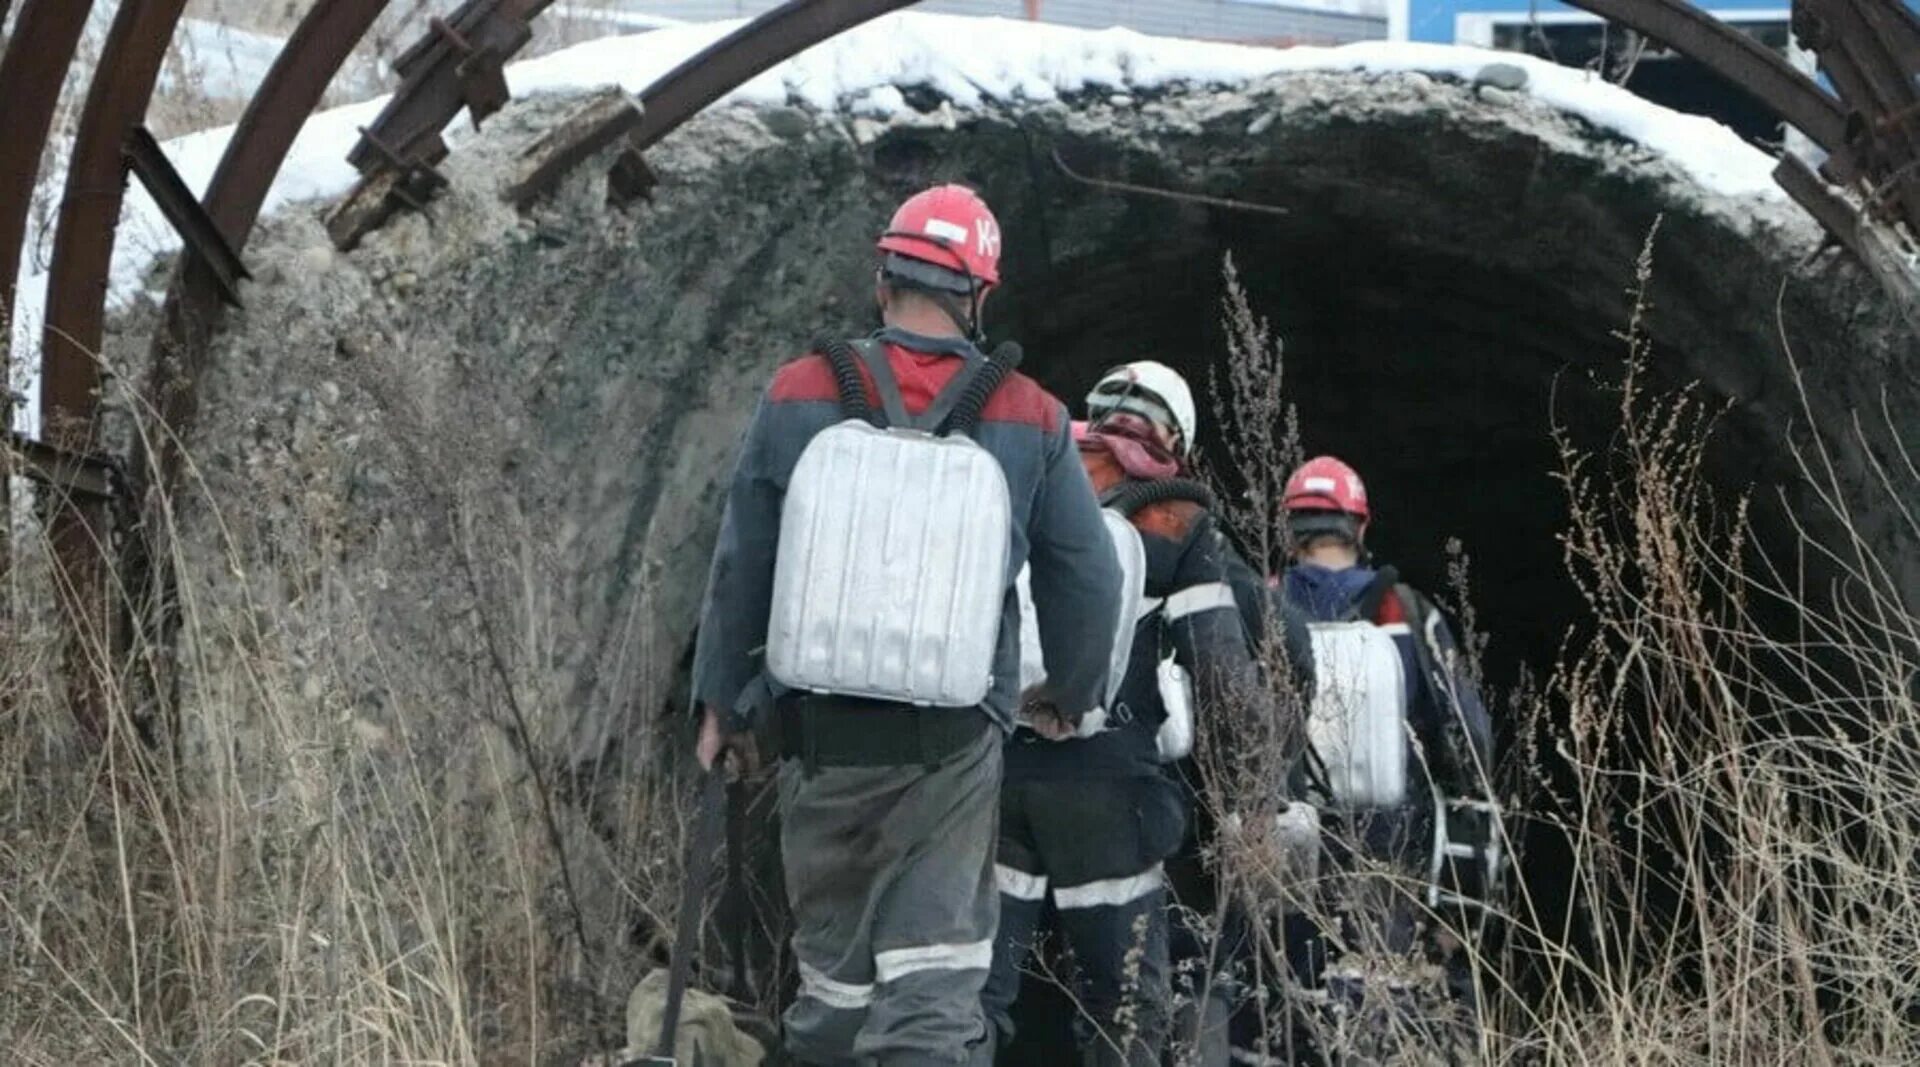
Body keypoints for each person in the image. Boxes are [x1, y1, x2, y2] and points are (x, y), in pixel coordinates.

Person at [691, 184, 1122, 1067]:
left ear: (882, 276)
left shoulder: (800, 388)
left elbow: (743, 563)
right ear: (981, 295)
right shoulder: (1031, 415)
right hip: (953, 754)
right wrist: (1069, 693)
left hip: (821, 746)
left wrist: (722, 708)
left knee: (836, 986)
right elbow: (1089, 576)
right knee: (931, 988)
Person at [981, 361, 1284, 1067]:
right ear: (1173, 435)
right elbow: (1221, 677)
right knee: (1121, 1008)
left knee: (976, 995)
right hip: (1108, 793)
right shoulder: (1175, 517)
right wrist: (1253, 799)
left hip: (997, 778)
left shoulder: (1025, 479)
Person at [1252, 454, 1497, 1065]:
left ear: (1290, 530)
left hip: (1286, 855)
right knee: (1385, 1015)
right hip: (1394, 853)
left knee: (1281, 1013)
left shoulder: (1259, 609)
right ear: (1361, 529)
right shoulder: (1407, 614)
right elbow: (1469, 742)